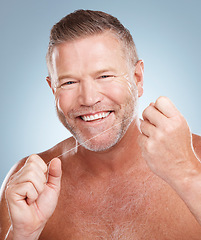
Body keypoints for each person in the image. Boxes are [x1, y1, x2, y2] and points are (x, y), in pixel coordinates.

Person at [1, 9, 201, 240]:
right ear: (52, 89)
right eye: (69, 82)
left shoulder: (195, 162)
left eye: (104, 76)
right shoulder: (27, 184)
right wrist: (23, 235)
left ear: (137, 78)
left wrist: (187, 176)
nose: (88, 99)